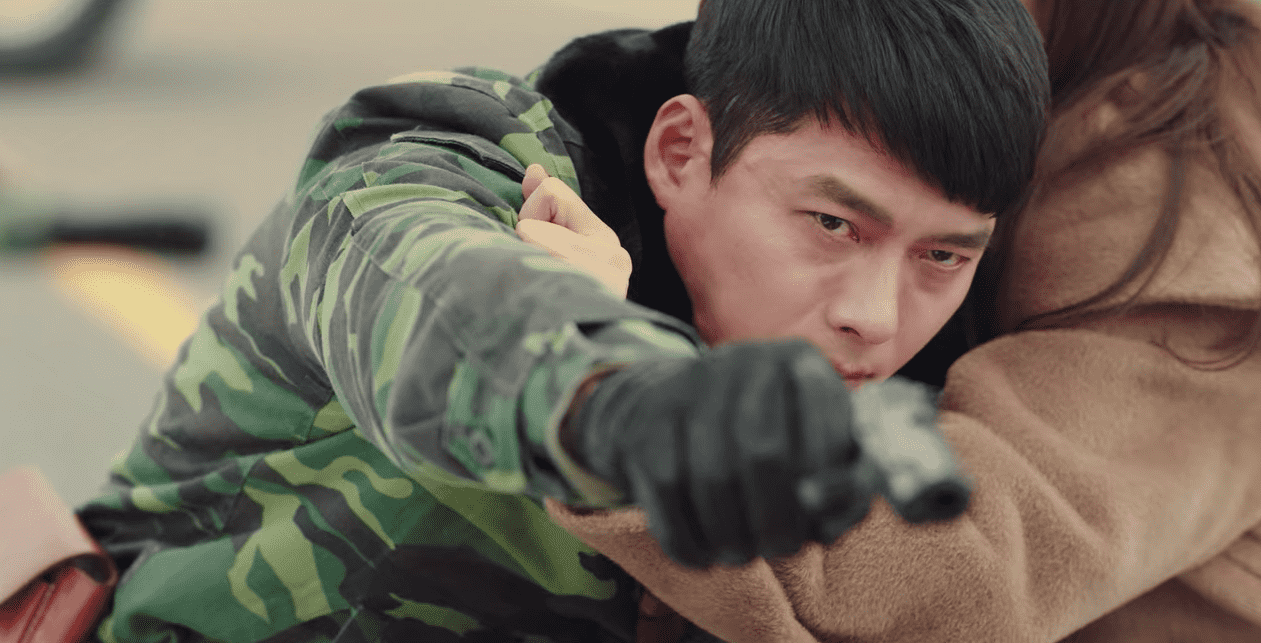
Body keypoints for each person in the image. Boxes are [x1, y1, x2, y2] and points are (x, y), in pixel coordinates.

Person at [73, 0, 1049, 641]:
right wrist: (628, 394)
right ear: (679, 150)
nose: (874, 317)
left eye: (941, 255)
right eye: (832, 224)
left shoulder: (947, 379)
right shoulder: (472, 168)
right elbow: (431, 290)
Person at [544, 0, 1261, 641]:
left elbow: (957, 570)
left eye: (945, 254)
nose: (876, 317)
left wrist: (610, 385)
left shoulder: (1186, 163)